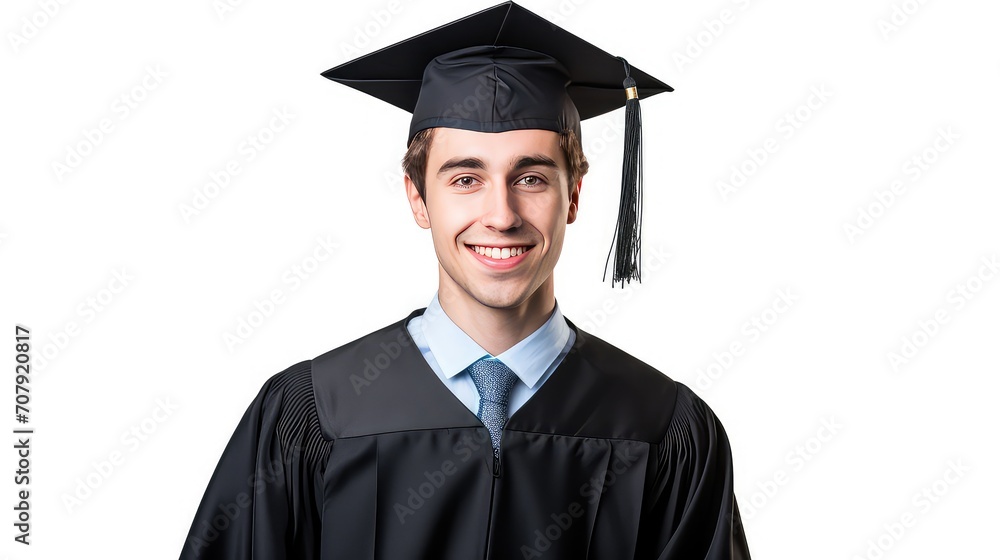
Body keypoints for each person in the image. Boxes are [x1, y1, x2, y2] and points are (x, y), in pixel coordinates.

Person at [179, 2, 751, 558]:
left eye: (531, 177)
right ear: (417, 198)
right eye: (465, 179)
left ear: (573, 194)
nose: (501, 215)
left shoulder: (664, 429)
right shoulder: (314, 415)